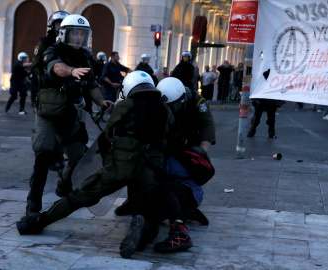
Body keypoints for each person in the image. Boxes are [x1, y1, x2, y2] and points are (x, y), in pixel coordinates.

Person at [16, 71, 174, 260]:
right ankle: (141, 223)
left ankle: (39, 221)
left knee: (80, 196)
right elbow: (170, 138)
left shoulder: (124, 106)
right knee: (142, 203)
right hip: (150, 169)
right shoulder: (166, 110)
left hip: (121, 166)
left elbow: (107, 135)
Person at [25, 14, 111, 217]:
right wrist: (72, 71)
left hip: (70, 112)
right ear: (64, 33)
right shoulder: (52, 49)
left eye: (82, 33)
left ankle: (64, 185)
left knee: (78, 157)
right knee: (44, 153)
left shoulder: (85, 55)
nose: (78, 37)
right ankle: (33, 201)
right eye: (74, 32)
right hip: (48, 111)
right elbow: (55, 67)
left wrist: (101, 101)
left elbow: (91, 84)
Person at [115, 77, 215, 220]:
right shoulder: (157, 101)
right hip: (165, 137)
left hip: (189, 142)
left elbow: (208, 125)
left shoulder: (197, 101)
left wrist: (202, 150)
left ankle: (184, 205)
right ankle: (134, 201)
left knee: (187, 172)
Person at [31, 11, 70, 174]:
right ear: (52, 26)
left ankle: (61, 157)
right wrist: (51, 71)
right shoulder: (44, 43)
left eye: (63, 24)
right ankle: (55, 159)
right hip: (48, 91)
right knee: (47, 131)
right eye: (57, 24)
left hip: (68, 92)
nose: (60, 27)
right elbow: (36, 65)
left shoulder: (70, 44)